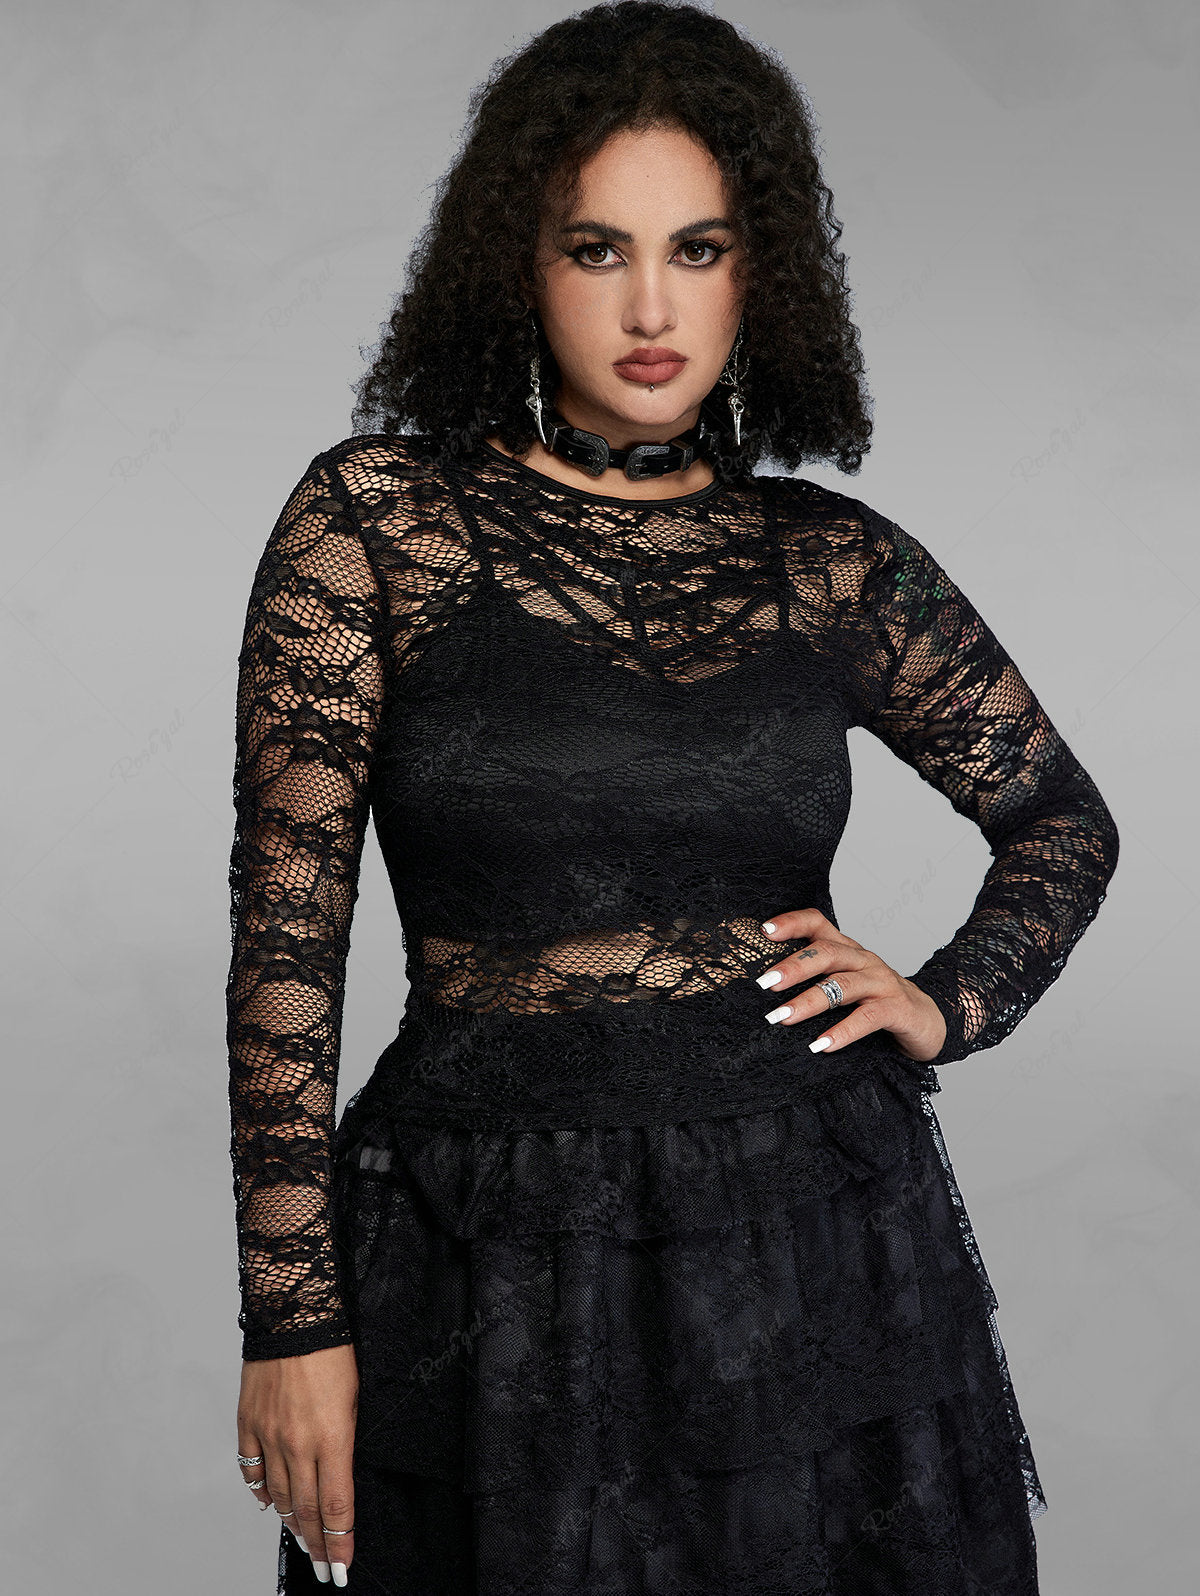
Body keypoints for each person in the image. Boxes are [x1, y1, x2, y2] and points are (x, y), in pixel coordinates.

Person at [226, 4, 1120, 1592]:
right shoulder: (376, 524)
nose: (652, 306)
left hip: (816, 1234)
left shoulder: (830, 560)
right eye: (598, 250)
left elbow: (1062, 820)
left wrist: (947, 1001)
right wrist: (291, 1321)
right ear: (518, 268)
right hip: (490, 1254)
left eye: (697, 250)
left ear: (757, 273)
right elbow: (288, 947)